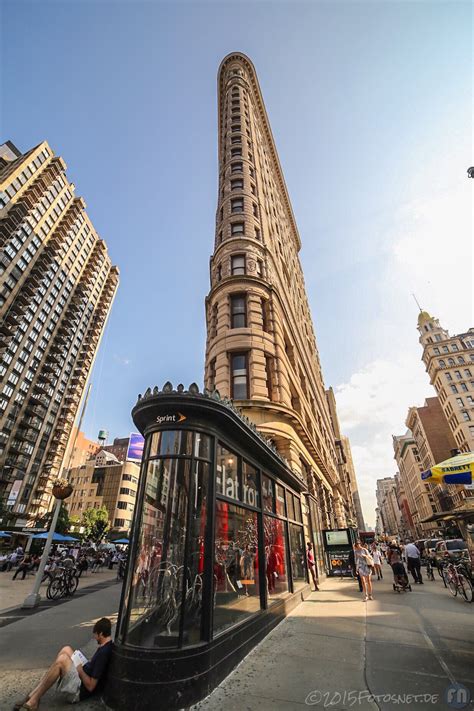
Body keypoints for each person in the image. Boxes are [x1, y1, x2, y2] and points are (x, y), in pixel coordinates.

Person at [13, 617, 113, 710]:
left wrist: (81, 671)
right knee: (66, 649)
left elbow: (91, 686)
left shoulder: (103, 654)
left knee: (62, 660)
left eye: (95, 634)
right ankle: (33, 694)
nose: (94, 637)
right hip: (84, 674)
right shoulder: (105, 646)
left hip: (79, 690)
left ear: (100, 634)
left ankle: (34, 700)